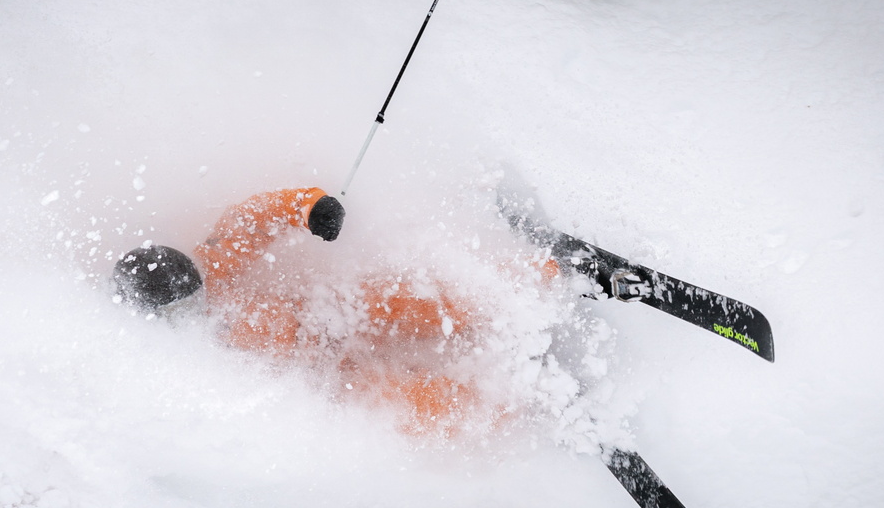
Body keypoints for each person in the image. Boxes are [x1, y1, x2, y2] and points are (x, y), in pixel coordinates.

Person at [114, 186, 563, 437]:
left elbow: (254, 219)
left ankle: (543, 277)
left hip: (325, 315)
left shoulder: (212, 266)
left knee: (413, 302)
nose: (202, 297)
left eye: (196, 285)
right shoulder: (176, 366)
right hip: (324, 380)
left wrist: (312, 209)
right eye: (187, 302)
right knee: (414, 407)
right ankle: (526, 395)